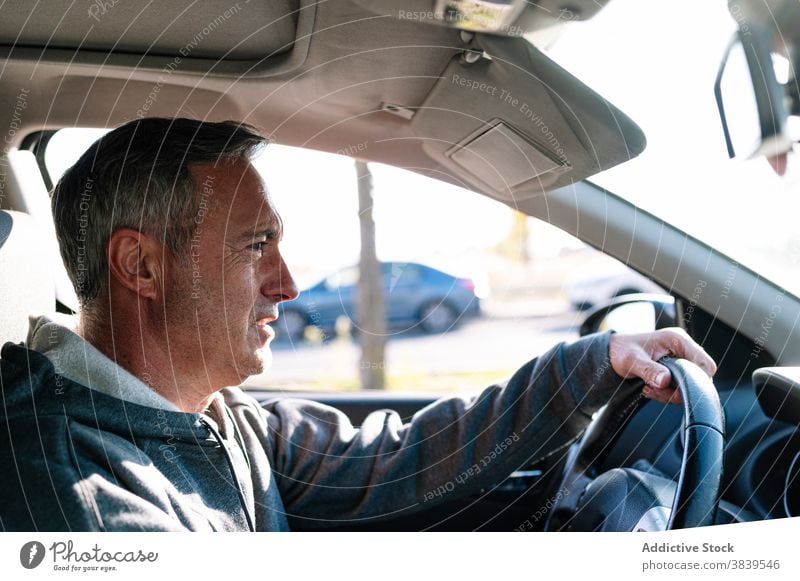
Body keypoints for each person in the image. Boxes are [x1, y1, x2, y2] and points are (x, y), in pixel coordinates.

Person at [0, 118, 716, 531]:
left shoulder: (211, 416)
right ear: (143, 267)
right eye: (255, 247)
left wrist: (594, 362)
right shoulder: (79, 494)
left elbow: (400, 455)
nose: (288, 283)